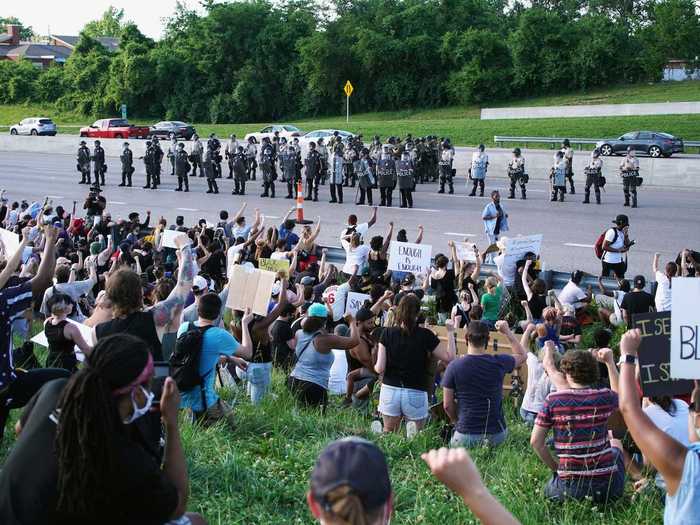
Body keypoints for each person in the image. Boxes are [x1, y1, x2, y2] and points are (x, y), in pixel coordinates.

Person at [0, 334, 207, 525]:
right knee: (195, 521)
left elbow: (20, 429)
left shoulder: (55, 390)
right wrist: (171, 423)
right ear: (135, 393)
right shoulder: (124, 457)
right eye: (150, 381)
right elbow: (177, 507)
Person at [618, 329, 700, 523]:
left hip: (663, 487)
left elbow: (628, 408)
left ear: (697, 418)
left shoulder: (687, 466)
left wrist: (627, 355)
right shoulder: (680, 405)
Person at [0, 226, 71, 444]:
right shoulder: (3, 302)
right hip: (5, 386)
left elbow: (8, 271)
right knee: (63, 379)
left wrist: (23, 243)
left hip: (8, 382)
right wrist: (50, 240)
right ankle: (34, 432)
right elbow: (43, 279)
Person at [530, 341, 625, 503]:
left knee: (548, 490)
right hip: (609, 490)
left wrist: (556, 469)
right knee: (615, 447)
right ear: (594, 372)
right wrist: (609, 363)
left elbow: (535, 442)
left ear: (565, 371)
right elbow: (621, 399)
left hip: (569, 490)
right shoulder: (605, 396)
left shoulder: (553, 400)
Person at [374, 294, 456, 434]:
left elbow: (380, 368)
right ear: (418, 313)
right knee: (416, 436)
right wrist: (450, 332)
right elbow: (450, 358)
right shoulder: (426, 335)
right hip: (415, 391)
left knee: (388, 433)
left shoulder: (386, 333)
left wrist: (374, 366)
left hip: (390, 390)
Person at [443, 320, 526, 447]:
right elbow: (522, 355)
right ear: (488, 339)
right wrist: (507, 331)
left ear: (466, 338)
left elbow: (447, 405)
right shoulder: (499, 362)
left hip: (465, 433)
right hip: (497, 434)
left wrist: (456, 421)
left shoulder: (454, 366)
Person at [178, 295, 252, 427]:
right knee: (231, 427)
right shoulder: (219, 335)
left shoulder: (184, 328)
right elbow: (248, 352)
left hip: (180, 398)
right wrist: (245, 324)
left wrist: (230, 358)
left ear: (198, 310)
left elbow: (196, 358)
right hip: (205, 401)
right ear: (218, 313)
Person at [288, 303, 360, 408]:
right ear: (324, 321)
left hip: (294, 380)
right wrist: (352, 321)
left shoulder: (299, 333)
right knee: (314, 421)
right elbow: (354, 341)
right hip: (314, 386)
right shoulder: (325, 340)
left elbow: (306, 325)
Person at [44, 293, 92, 372]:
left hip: (51, 362)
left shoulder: (47, 322)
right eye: (70, 303)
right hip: (66, 366)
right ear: (64, 308)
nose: (72, 305)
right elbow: (85, 349)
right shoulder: (70, 328)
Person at [601, 214, 632, 279]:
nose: (627, 226)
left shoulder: (623, 232)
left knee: (621, 280)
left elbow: (627, 245)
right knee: (607, 280)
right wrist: (618, 250)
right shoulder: (611, 232)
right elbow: (604, 246)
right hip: (608, 262)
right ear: (621, 224)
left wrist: (626, 235)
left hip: (619, 261)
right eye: (626, 225)